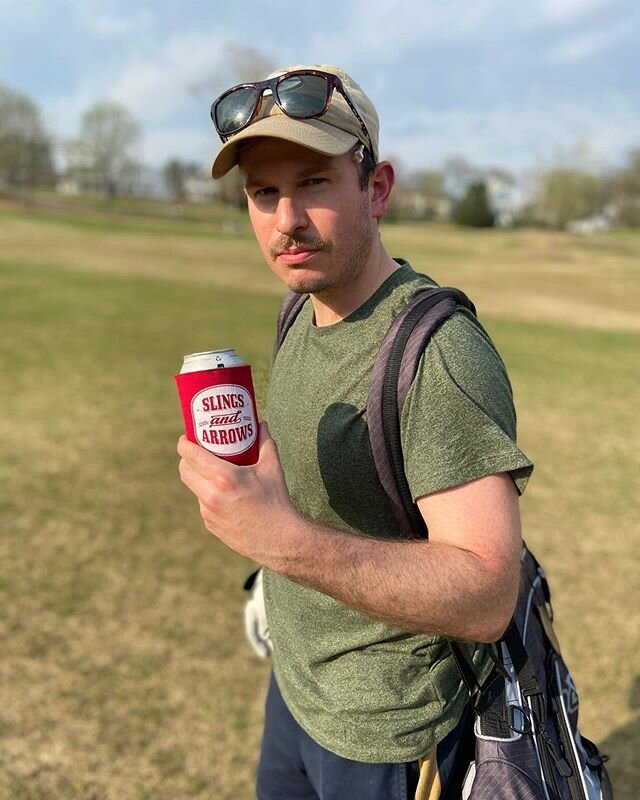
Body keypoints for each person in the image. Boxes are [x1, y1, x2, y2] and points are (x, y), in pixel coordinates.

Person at [177, 64, 533, 800]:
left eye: (312, 183)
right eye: (263, 192)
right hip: (298, 691)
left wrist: (280, 542)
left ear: (375, 189)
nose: (286, 221)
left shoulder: (437, 351)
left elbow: (489, 593)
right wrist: (271, 583)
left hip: (388, 737)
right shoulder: (300, 309)